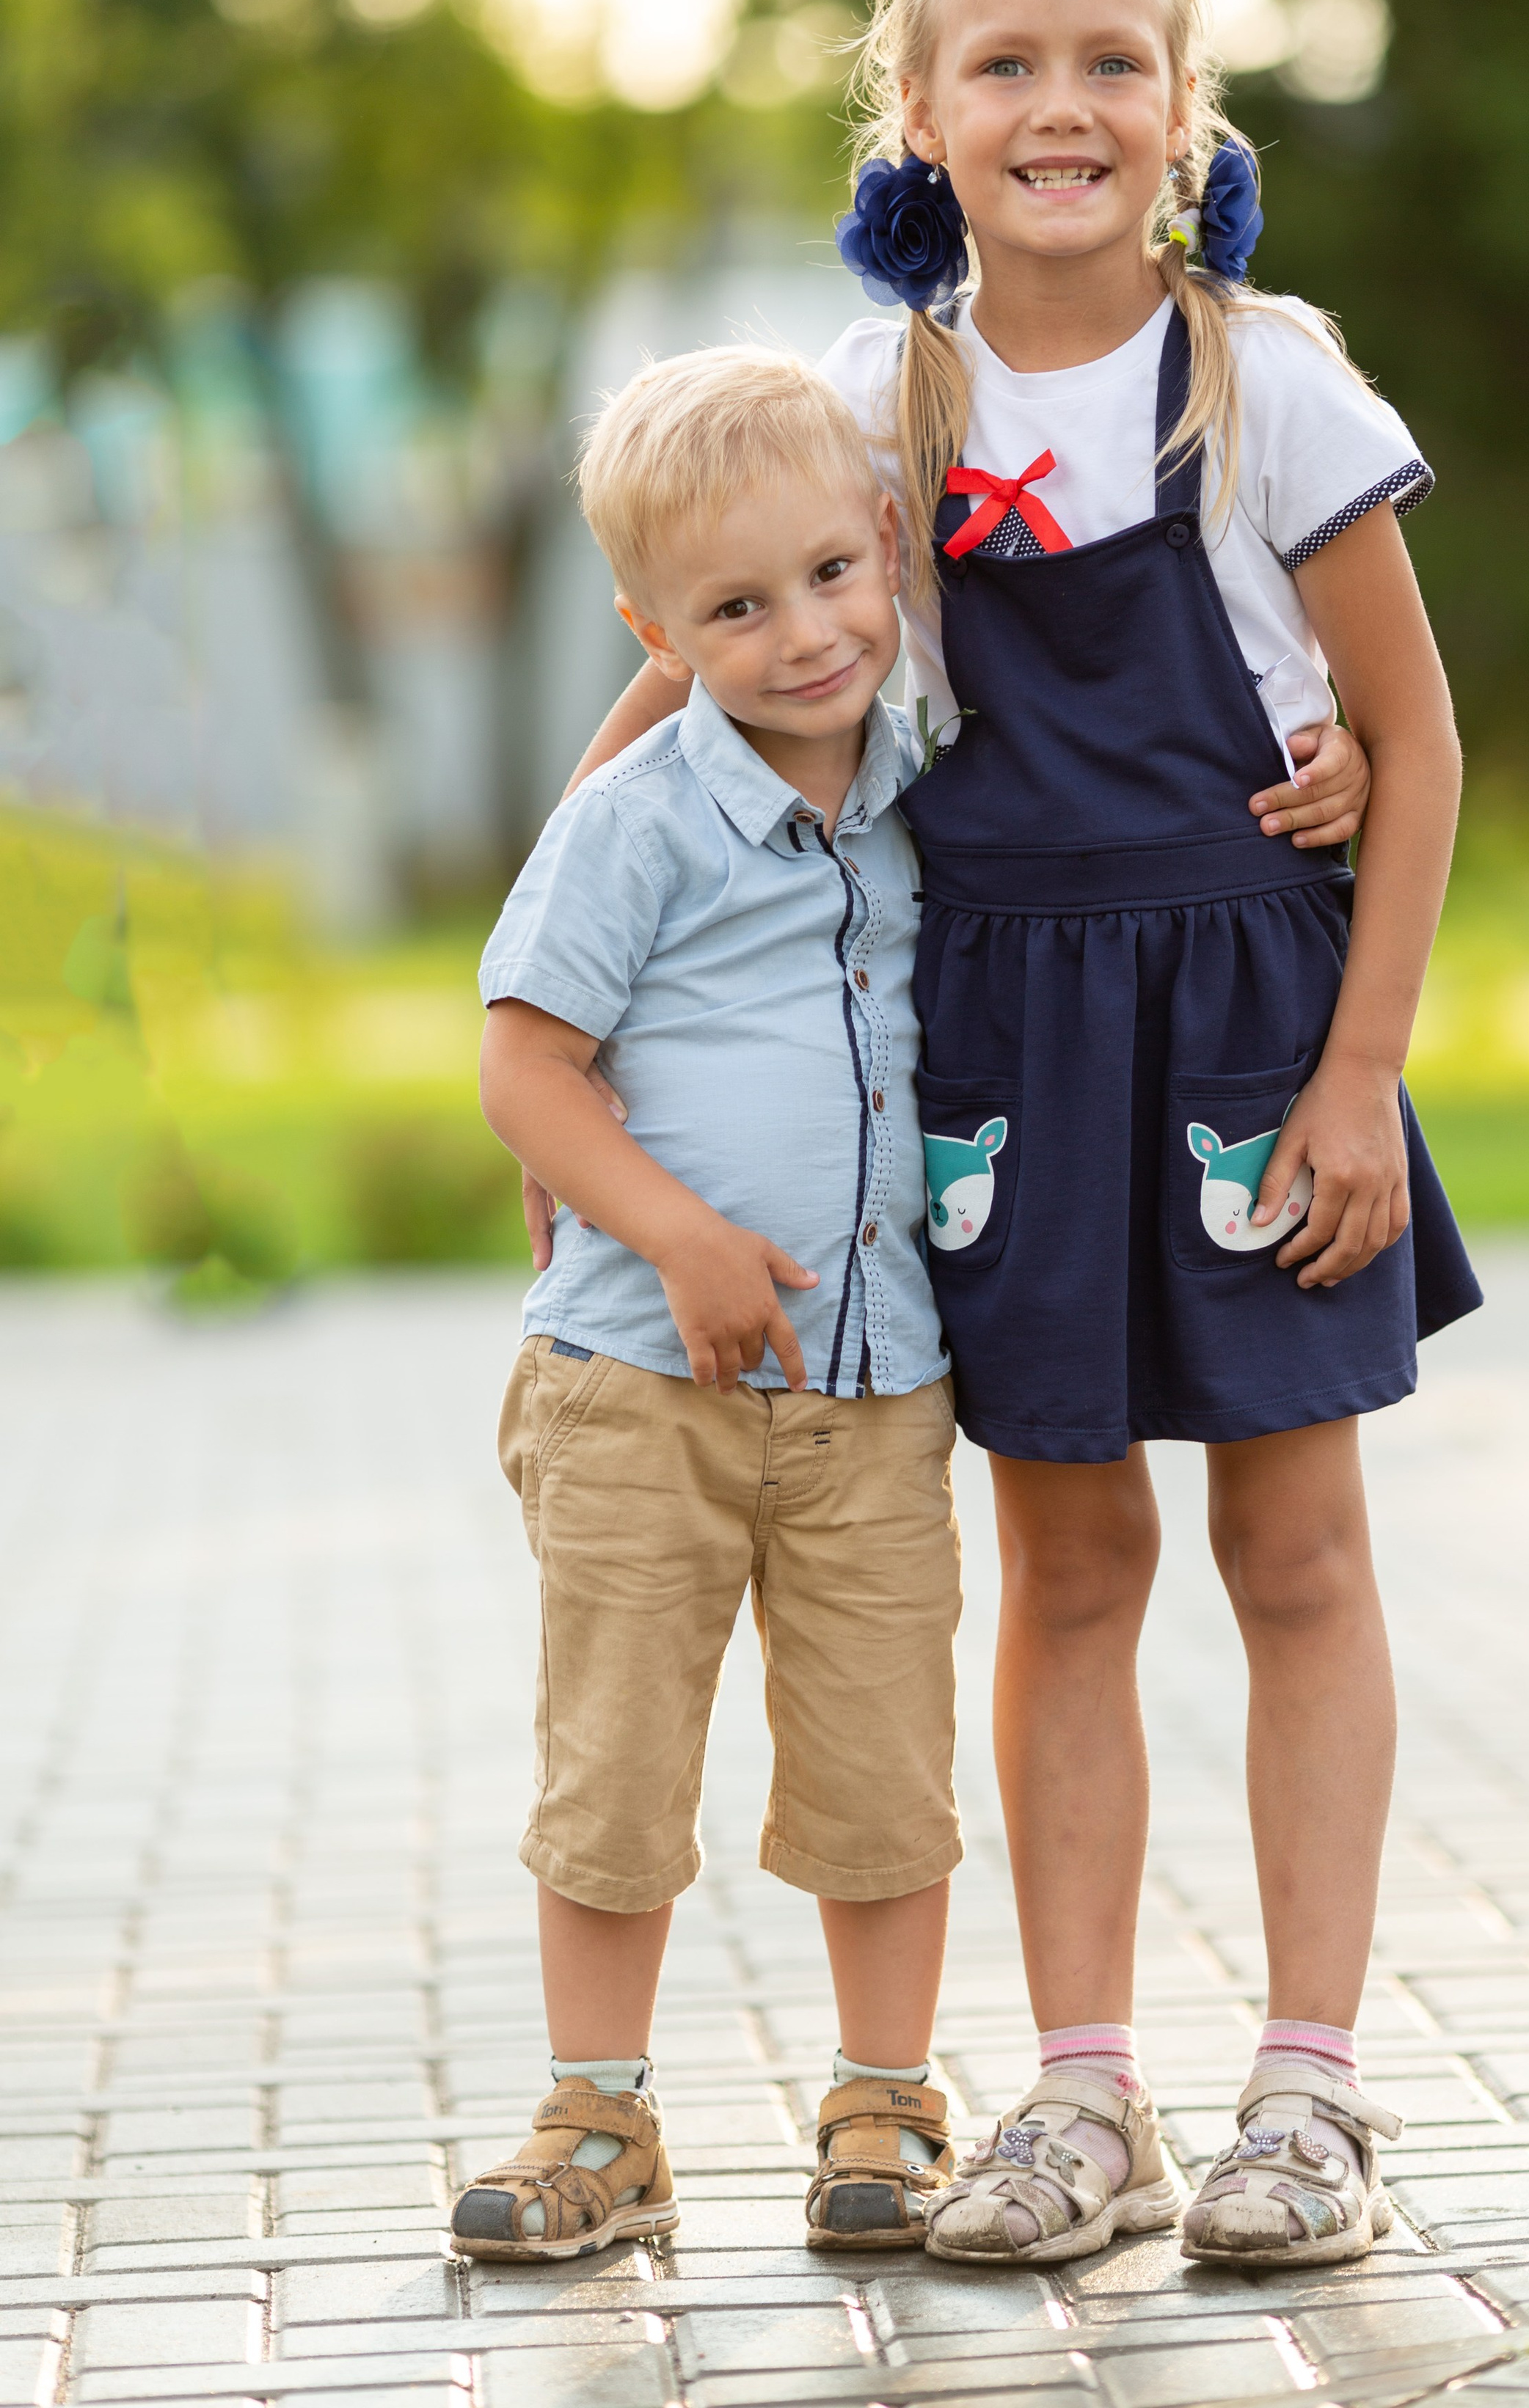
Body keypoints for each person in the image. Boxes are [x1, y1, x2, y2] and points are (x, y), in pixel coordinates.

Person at [550, 0, 1481, 2273]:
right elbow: (679, 729)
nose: (1061, 103)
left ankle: (1314, 2090)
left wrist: (1363, 1068)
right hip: (1009, 1040)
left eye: (1114, 61)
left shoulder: (1273, 383)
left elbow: (1417, 736)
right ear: (919, 114)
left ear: (1183, 113)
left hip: (1259, 1034)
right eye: (1006, 64)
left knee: (1296, 1550)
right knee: (1066, 1568)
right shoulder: (875, 398)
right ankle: (1085, 2100)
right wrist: (562, 998)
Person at [453, 348, 964, 2264]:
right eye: (735, 608)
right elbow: (524, 1070)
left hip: (875, 1382)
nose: (803, 633)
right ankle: (601, 2118)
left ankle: (886, 2097)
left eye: (833, 574)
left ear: (889, 548)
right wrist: (670, 1233)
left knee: (880, 1761)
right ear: (652, 630)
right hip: (633, 1382)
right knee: (615, 1762)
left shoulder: (931, 786)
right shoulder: (636, 820)